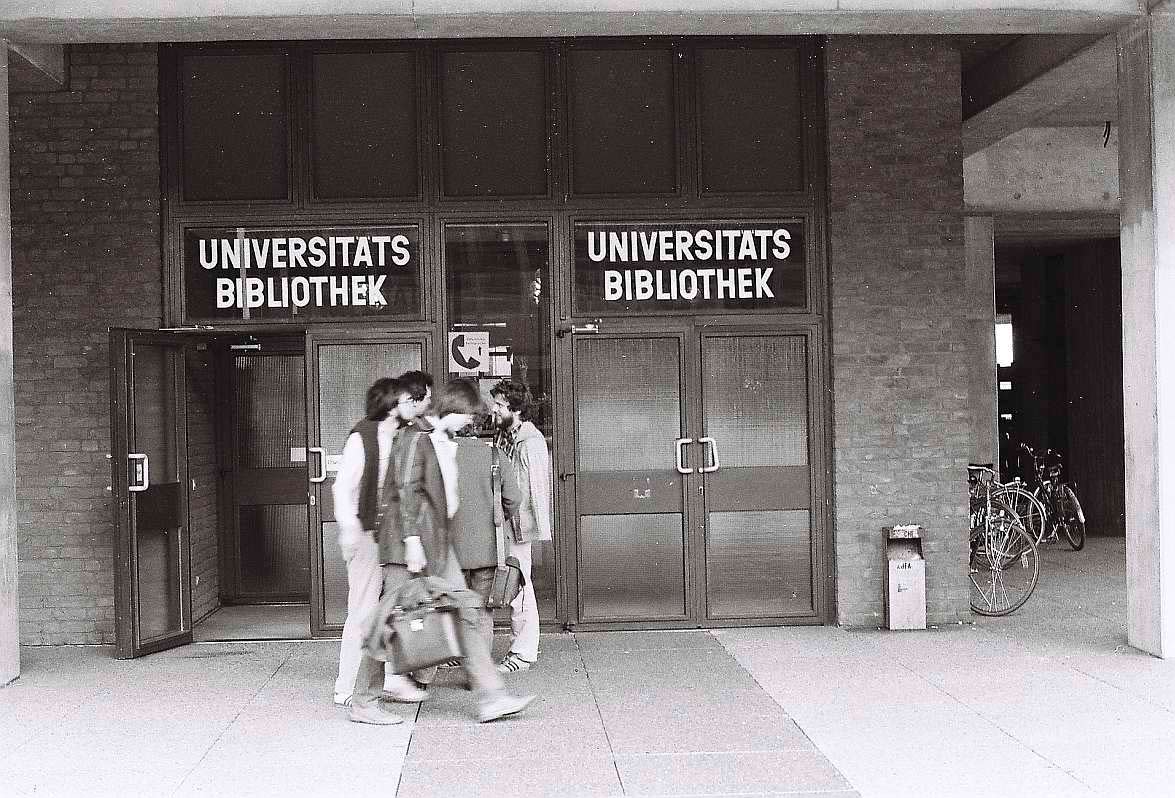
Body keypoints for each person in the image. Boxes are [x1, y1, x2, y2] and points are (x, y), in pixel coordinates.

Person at [348, 378, 536, 725]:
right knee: (388, 619)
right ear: (453, 409)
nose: (471, 422)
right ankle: (364, 700)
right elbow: (405, 490)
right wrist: (413, 542)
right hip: (410, 543)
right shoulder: (415, 437)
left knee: (465, 608)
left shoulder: (440, 439)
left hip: (435, 542)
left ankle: (491, 697)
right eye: (468, 415)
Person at [331, 377, 424, 707]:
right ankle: (347, 685)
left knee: (387, 610)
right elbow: (343, 488)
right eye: (402, 400)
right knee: (363, 610)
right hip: (367, 535)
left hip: (389, 537)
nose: (408, 405)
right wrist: (349, 530)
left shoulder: (397, 436)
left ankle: (387, 679)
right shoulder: (363, 437)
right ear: (389, 405)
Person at [490, 379, 552, 673]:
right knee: (513, 584)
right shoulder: (508, 436)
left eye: (500, 405)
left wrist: (534, 528)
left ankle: (523, 652)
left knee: (521, 586)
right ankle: (520, 648)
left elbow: (537, 491)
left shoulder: (531, 442)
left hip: (518, 525)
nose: (494, 409)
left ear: (515, 408)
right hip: (506, 523)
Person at [450, 400, 523, 651]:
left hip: (451, 548)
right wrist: (496, 516)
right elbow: (513, 498)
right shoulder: (495, 455)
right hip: (488, 547)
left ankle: (455, 655)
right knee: (482, 612)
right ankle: (478, 673)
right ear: (481, 425)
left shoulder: (443, 455)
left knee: (454, 607)